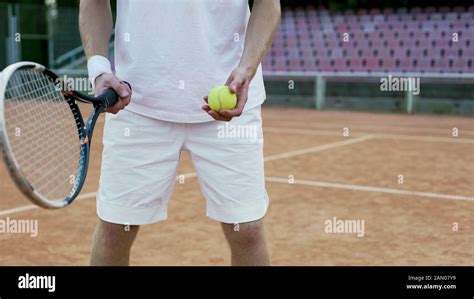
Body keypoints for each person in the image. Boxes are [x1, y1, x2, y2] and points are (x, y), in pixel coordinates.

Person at [79, 0, 281, 266]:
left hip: (231, 99)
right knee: (116, 227)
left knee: (247, 230)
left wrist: (247, 69)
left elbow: (269, 5)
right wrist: (99, 68)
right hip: (137, 103)